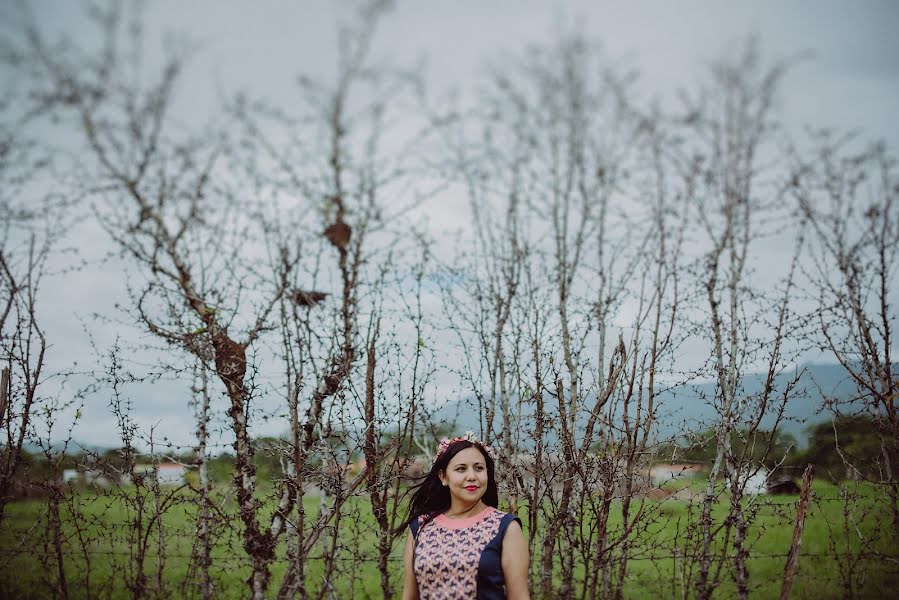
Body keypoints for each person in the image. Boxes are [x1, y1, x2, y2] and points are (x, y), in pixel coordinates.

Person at [400, 432, 530, 600]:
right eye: (461, 469)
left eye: (479, 468)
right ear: (443, 477)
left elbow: (519, 596)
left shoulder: (505, 528)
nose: (471, 476)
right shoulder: (420, 527)